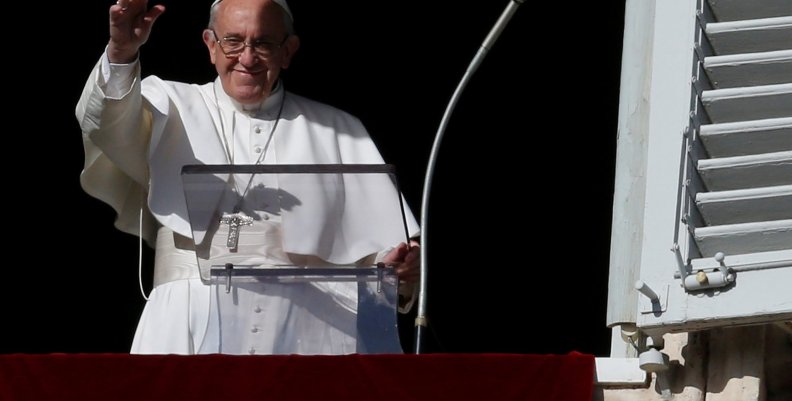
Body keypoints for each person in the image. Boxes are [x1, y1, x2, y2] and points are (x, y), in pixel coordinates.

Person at [75, 0, 421, 355]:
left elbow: (382, 257)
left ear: (288, 51)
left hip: (308, 332)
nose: (248, 57)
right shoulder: (168, 103)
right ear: (211, 45)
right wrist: (121, 51)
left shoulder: (340, 130)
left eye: (264, 43)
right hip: (187, 323)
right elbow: (105, 122)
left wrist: (397, 267)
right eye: (233, 41)